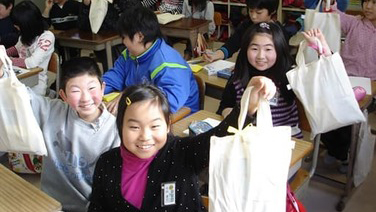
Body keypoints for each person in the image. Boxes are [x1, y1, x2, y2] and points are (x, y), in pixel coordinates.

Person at [88, 79, 276, 211]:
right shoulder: (107, 163)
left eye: (155, 126)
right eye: (134, 126)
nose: (145, 136)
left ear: (168, 125)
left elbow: (219, 138)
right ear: (120, 126)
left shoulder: (182, 152)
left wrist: (247, 107)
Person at [0, 56, 120, 212]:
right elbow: (21, 97)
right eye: (76, 91)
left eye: (92, 88)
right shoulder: (52, 111)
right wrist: (3, 73)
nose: (85, 98)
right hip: (48, 202)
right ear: (63, 95)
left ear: (102, 88)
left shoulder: (115, 131)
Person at [216, 22, 313, 139]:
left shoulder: (289, 77)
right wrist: (233, 116)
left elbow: (319, 89)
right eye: (255, 48)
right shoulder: (238, 78)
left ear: (279, 50)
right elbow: (225, 106)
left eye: (268, 49)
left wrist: (323, 52)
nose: (261, 56)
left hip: (284, 141)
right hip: (247, 140)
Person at [103, 6, 199, 115]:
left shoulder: (167, 63)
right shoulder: (130, 53)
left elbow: (167, 104)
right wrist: (95, 89)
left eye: (124, 37)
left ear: (139, 36)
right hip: (141, 111)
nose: (123, 41)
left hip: (177, 119)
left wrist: (129, 96)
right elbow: (114, 77)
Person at [203, 0, 289, 62]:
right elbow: (232, 44)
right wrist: (217, 54)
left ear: (272, 11)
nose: (253, 16)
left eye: (259, 12)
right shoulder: (246, 25)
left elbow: (283, 61)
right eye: (251, 11)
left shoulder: (279, 33)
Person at [6, 0, 54, 96]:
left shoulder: (46, 37)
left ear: (28, 24)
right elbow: (16, 48)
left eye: (18, 25)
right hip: (21, 78)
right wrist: (3, 53)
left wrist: (7, 60)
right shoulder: (25, 35)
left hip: (36, 83)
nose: (15, 27)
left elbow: (32, 62)